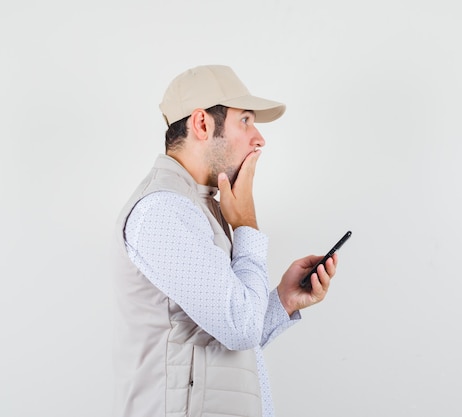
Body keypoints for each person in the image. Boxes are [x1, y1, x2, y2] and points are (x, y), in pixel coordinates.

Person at [112, 65, 339, 417]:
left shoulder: (198, 207)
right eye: (245, 120)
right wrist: (247, 225)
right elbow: (240, 329)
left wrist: (282, 301)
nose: (259, 138)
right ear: (202, 124)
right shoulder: (164, 210)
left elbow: (223, 336)